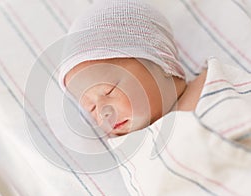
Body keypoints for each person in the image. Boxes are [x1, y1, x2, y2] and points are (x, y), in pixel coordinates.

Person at [58, 0, 250, 139]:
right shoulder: (132, 147)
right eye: (90, 108)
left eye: (109, 90)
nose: (102, 112)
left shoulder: (213, 81)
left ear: (160, 60)